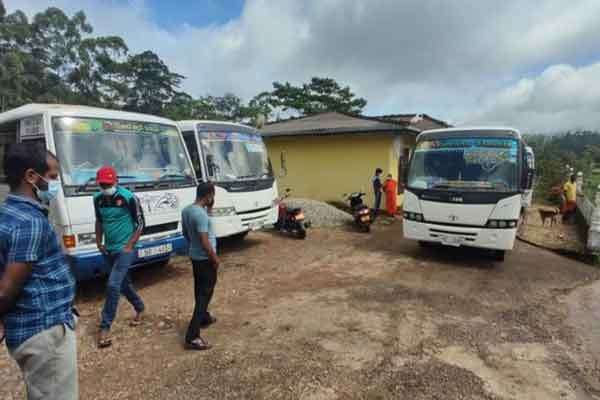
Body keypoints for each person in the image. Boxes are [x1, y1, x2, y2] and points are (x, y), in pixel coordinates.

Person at [0, 143, 78, 399]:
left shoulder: (8, 212)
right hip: (43, 329)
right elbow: (5, 291)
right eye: (53, 177)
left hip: (30, 326)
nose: (55, 184)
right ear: (32, 176)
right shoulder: (30, 222)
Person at [94, 166, 145, 348]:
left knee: (113, 284)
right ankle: (140, 307)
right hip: (109, 249)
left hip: (126, 249)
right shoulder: (97, 199)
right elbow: (99, 221)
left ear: (116, 182)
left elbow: (141, 223)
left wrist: (130, 245)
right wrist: (99, 241)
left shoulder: (129, 197)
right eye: (102, 184)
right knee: (123, 283)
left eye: (108, 184)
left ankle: (105, 327)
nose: (105, 187)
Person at [182, 182, 219, 350]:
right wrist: (214, 258)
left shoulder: (187, 211)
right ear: (209, 195)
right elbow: (205, 241)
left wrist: (194, 247)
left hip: (195, 257)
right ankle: (192, 336)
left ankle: (204, 317)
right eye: (213, 195)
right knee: (205, 295)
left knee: (200, 290)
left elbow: (186, 233)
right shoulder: (201, 215)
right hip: (205, 259)